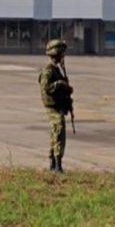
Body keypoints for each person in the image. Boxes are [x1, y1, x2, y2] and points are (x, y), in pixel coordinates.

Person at [38, 39, 74, 173]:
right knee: (58, 132)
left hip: (58, 106)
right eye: (61, 54)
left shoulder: (57, 70)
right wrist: (60, 84)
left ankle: (54, 163)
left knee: (55, 133)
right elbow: (46, 87)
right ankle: (57, 165)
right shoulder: (48, 71)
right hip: (53, 107)